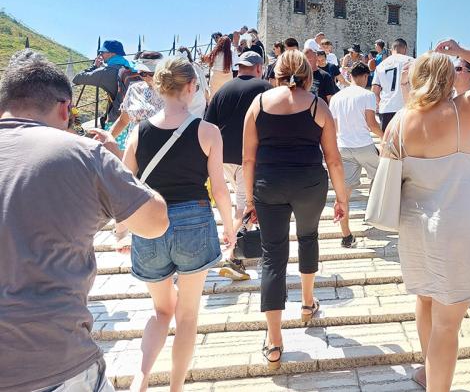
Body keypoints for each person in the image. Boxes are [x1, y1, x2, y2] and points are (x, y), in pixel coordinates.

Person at [0, 50, 169, 392]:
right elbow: (155, 221)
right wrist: (117, 159)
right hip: (55, 362)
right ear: (65, 108)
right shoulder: (81, 154)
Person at [381, 40, 470, 392]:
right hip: (454, 229)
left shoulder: (398, 121)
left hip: (413, 227)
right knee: (447, 325)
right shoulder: (463, 111)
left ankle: (427, 372)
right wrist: (464, 50)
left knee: (424, 300)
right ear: (447, 79)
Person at [122, 57, 235, 391]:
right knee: (187, 315)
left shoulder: (138, 134)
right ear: (190, 88)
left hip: (151, 224)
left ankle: (139, 382)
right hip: (194, 221)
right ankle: (175, 388)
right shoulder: (208, 131)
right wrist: (229, 226)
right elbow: (219, 189)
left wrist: (123, 230)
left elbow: (125, 186)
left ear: (160, 87)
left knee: (161, 312)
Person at [241, 50, 348, 371]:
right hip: (309, 183)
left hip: (268, 184)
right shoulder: (319, 106)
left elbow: (248, 158)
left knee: (273, 255)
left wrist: (249, 201)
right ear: (308, 74)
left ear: (275, 72)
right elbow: (334, 159)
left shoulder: (258, 105)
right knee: (308, 236)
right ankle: (306, 303)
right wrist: (341, 198)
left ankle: (274, 341)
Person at [204, 51, 271, 280]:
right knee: (243, 206)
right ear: (259, 68)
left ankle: (240, 248)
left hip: (222, 157)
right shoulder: (264, 88)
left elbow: (207, 125)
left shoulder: (222, 90)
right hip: (248, 157)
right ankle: (232, 255)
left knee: (241, 203)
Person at [329, 62, 382, 247]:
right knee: (383, 177)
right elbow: (372, 124)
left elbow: (334, 128)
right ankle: (376, 214)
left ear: (350, 75)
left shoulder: (336, 97)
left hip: (343, 147)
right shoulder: (367, 95)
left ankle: (346, 236)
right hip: (364, 146)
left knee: (344, 193)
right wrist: (386, 138)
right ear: (365, 77)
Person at [72, 39, 136, 128]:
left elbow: (77, 78)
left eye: (102, 52)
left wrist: (94, 66)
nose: (100, 54)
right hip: (136, 116)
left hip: (118, 119)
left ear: (111, 53)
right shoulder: (132, 66)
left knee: (112, 141)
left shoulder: (104, 72)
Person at [109, 52, 165, 147]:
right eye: (142, 73)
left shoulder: (171, 92)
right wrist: (106, 139)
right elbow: (123, 120)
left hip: (159, 149)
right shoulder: (134, 88)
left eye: (151, 73)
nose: (146, 77)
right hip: (133, 147)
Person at [372, 38, 415, 130]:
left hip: (386, 108)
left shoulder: (380, 66)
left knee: (387, 142)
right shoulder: (413, 62)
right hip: (407, 109)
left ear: (391, 50)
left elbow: (375, 91)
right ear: (405, 49)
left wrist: (380, 104)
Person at [177, 46, 210, 117]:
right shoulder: (196, 66)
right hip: (199, 97)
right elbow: (205, 86)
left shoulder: (177, 70)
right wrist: (207, 100)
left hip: (184, 98)